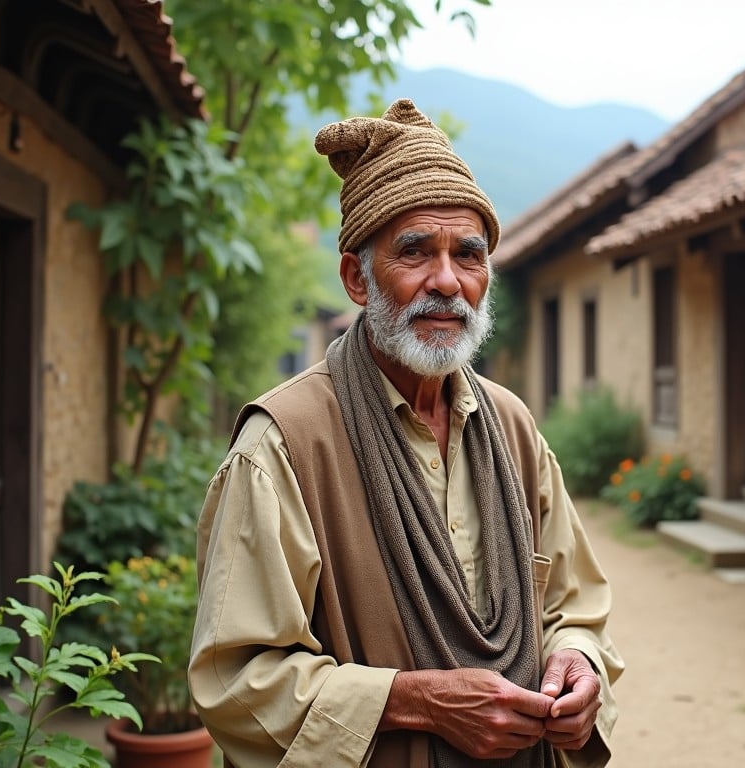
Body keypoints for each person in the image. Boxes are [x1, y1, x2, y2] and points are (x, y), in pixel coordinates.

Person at [188, 98, 623, 768]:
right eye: (415, 250)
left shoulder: (511, 426)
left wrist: (578, 660)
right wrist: (415, 701)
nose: (447, 280)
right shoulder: (284, 446)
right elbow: (236, 676)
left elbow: (575, 603)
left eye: (469, 254)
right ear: (357, 278)